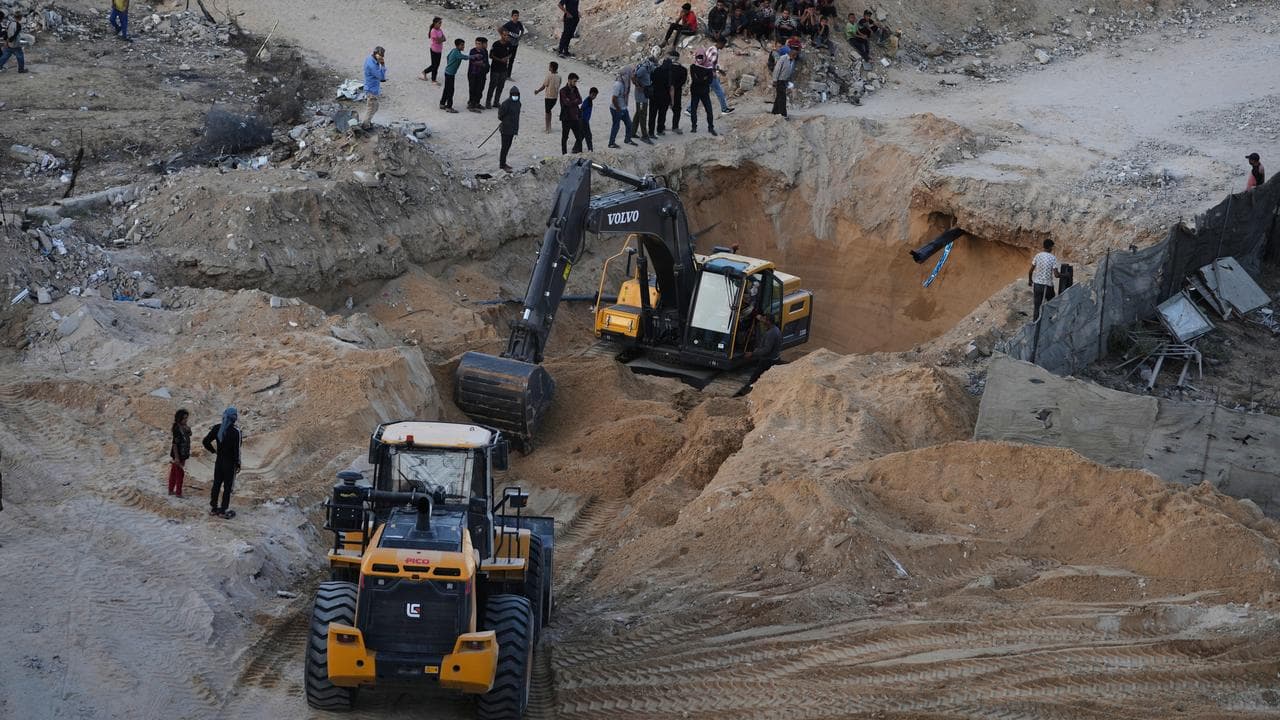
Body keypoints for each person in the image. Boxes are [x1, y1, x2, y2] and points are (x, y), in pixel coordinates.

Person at [202, 407, 242, 518]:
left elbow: (205, 441)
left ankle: (214, 508)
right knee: (227, 487)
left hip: (219, 461)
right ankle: (223, 509)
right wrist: (238, 464)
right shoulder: (236, 432)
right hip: (230, 464)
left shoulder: (217, 428)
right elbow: (237, 449)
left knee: (216, 484)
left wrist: (213, 451)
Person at [734, 313, 782, 396]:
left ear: (768, 321)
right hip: (774, 358)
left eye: (764, 320)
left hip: (768, 360)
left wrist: (752, 353)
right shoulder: (776, 330)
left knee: (754, 377)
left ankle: (744, 394)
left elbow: (766, 350)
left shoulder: (770, 334)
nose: (762, 321)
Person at [1028, 238, 1061, 321]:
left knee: (1037, 306)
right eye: (1052, 247)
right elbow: (1056, 275)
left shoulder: (1038, 256)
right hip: (1047, 285)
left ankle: (1035, 325)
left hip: (1037, 285)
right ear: (1050, 247)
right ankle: (1048, 322)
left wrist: (1030, 280)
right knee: (1051, 303)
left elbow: (1031, 270)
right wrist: (1065, 275)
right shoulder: (1052, 258)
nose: (1052, 249)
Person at [608, 67, 637, 148]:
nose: (633, 74)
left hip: (623, 107)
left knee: (629, 124)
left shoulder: (625, 82)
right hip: (617, 109)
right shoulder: (618, 84)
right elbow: (614, 98)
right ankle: (611, 143)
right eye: (631, 72)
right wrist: (618, 108)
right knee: (616, 126)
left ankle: (627, 139)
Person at [688, 53, 717, 135]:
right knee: (693, 110)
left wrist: (700, 78)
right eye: (698, 58)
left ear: (704, 58)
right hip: (695, 91)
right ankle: (694, 127)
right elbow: (695, 79)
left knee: (709, 110)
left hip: (704, 92)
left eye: (701, 58)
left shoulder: (708, 68)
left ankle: (711, 127)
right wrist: (704, 78)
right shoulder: (693, 67)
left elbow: (710, 80)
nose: (699, 60)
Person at [705, 37, 734, 114]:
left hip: (705, 73)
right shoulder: (715, 51)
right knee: (719, 92)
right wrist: (713, 72)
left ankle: (689, 109)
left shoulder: (711, 48)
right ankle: (724, 109)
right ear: (720, 43)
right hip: (710, 74)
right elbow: (711, 63)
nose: (723, 47)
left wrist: (720, 71)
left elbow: (709, 62)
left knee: (701, 92)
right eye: (723, 45)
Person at [361, 46, 388, 129]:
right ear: (376, 54)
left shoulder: (369, 59)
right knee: (371, 108)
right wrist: (383, 65)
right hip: (371, 90)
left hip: (370, 87)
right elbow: (382, 78)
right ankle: (365, 125)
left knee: (374, 107)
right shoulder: (372, 66)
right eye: (381, 55)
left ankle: (367, 122)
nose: (382, 57)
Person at [487, 29, 514, 108]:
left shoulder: (509, 44)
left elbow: (511, 53)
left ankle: (496, 102)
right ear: (501, 35)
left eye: (507, 35)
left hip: (504, 69)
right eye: (504, 35)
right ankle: (488, 102)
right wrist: (500, 60)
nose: (506, 37)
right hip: (495, 68)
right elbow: (491, 55)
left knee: (501, 86)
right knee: (492, 86)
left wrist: (507, 58)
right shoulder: (496, 44)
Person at [559, 72, 585, 154]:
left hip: (575, 117)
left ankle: (579, 152)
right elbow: (566, 103)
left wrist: (572, 101)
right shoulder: (563, 91)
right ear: (569, 80)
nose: (575, 83)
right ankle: (564, 154)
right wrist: (575, 101)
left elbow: (580, 100)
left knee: (579, 137)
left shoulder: (575, 89)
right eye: (574, 81)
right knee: (565, 137)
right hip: (566, 117)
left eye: (576, 81)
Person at [498, 86, 521, 171]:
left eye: (516, 94)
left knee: (507, 147)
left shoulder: (518, 103)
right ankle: (502, 164)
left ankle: (503, 163)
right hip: (505, 129)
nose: (515, 96)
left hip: (512, 129)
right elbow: (500, 116)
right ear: (510, 95)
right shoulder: (506, 104)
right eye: (514, 94)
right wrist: (506, 121)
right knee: (504, 147)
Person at [533, 61, 562, 133]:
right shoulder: (559, 76)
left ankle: (547, 127)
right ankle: (549, 126)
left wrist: (537, 91)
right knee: (549, 111)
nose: (549, 67)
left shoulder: (549, 76)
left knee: (547, 112)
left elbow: (544, 86)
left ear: (551, 68)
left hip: (548, 96)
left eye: (549, 66)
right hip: (555, 97)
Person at [168, 409, 191, 497]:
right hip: (179, 455)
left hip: (183, 454)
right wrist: (177, 458)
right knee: (180, 474)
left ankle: (171, 490)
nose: (186, 420)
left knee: (174, 472)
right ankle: (178, 492)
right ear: (179, 418)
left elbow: (190, 434)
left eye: (186, 418)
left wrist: (188, 428)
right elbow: (174, 444)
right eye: (184, 418)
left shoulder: (183, 427)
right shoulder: (177, 429)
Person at [633, 56, 656, 144]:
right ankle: (644, 136)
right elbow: (633, 76)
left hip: (644, 95)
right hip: (641, 97)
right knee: (643, 115)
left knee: (638, 114)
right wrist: (639, 86)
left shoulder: (648, 68)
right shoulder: (643, 69)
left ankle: (632, 132)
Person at [650, 52, 673, 136]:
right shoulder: (669, 74)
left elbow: (651, 79)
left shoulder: (656, 70)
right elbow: (670, 88)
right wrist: (671, 101)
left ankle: (651, 132)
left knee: (652, 115)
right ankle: (660, 130)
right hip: (664, 97)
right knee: (662, 115)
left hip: (654, 96)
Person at [440, 38, 466, 112]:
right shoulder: (457, 53)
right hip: (450, 74)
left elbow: (447, 57)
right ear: (457, 45)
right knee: (451, 90)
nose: (463, 46)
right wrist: (473, 56)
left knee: (447, 89)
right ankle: (449, 107)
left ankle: (442, 103)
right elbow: (465, 57)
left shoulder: (454, 50)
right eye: (462, 45)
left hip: (448, 72)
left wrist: (449, 64)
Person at [466, 37, 490, 112]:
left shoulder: (485, 51)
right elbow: (474, 62)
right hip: (473, 74)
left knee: (480, 89)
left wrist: (484, 65)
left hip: (482, 74)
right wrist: (482, 63)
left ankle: (477, 103)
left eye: (479, 44)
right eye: (476, 43)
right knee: (473, 89)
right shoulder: (472, 51)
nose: (477, 45)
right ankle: (471, 104)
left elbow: (485, 62)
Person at [771, 44, 795, 117]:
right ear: (791, 54)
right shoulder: (783, 58)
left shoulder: (792, 60)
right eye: (794, 55)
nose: (795, 56)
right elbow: (777, 69)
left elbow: (790, 71)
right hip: (779, 80)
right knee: (782, 98)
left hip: (785, 81)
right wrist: (775, 80)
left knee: (779, 96)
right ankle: (783, 114)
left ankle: (775, 111)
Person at [667, 50, 687, 134]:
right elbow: (683, 82)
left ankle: (660, 127)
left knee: (662, 109)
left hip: (665, 91)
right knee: (677, 110)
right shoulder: (683, 69)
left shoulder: (666, 68)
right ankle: (675, 127)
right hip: (677, 92)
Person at [501, 10, 525, 76]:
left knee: (511, 60)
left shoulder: (519, 23)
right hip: (509, 44)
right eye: (515, 15)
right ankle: (503, 74)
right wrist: (506, 37)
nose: (516, 17)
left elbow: (522, 30)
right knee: (506, 59)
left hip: (515, 44)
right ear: (512, 16)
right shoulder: (509, 24)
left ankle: (508, 75)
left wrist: (520, 37)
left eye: (517, 15)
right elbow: (501, 29)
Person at [422, 17, 446, 83]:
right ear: (435, 23)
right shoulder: (433, 31)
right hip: (434, 50)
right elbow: (438, 41)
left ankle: (430, 76)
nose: (440, 24)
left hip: (439, 50)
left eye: (441, 23)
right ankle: (432, 78)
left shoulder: (440, 30)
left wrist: (441, 39)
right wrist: (441, 39)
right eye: (439, 23)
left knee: (436, 65)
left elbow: (444, 38)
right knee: (434, 65)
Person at [580, 86, 597, 151]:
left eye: (595, 95)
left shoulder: (589, 100)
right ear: (590, 94)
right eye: (593, 95)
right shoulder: (587, 101)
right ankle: (590, 149)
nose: (594, 97)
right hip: (583, 120)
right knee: (588, 136)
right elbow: (581, 108)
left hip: (585, 120)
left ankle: (575, 149)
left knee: (582, 135)